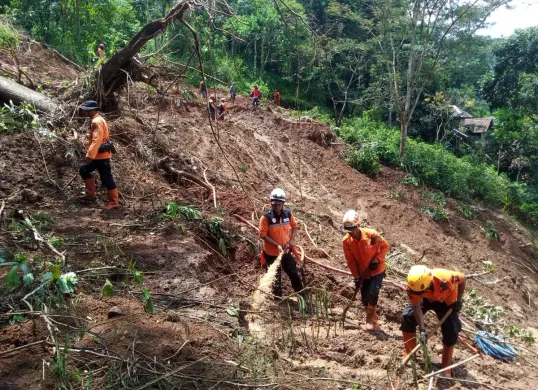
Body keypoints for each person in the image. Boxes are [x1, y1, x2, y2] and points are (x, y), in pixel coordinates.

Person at [401, 265, 466, 377]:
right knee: (408, 317)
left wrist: (459, 301)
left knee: (452, 328)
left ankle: (446, 365)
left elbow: (463, 278)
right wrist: (422, 330)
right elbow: (416, 307)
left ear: (427, 286)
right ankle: (410, 353)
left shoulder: (446, 277)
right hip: (426, 298)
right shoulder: (413, 288)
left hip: (446, 299)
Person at [342, 209, 389, 330]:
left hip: (377, 269)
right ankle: (374, 319)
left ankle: (369, 318)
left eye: (353, 229)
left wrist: (377, 259)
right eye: (349, 231)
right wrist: (356, 277)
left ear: (358, 226)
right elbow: (351, 261)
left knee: (373, 292)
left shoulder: (372, 235)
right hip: (362, 272)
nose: (351, 233)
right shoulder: (346, 241)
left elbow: (385, 246)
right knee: (364, 297)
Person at [259, 188, 304, 299]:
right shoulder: (266, 217)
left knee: (293, 273)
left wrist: (292, 240)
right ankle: (277, 300)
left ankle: (302, 296)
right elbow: (262, 235)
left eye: (279, 204)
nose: (277, 206)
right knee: (275, 278)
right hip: (271, 254)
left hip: (286, 252)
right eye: (274, 204)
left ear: (283, 203)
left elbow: (294, 226)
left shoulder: (288, 214)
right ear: (271, 203)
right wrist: (276, 245)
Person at [78, 100, 119, 209]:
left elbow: (97, 139)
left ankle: (114, 202)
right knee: (84, 170)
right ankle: (90, 195)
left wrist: (89, 154)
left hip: (101, 156)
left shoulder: (96, 121)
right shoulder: (96, 120)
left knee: (106, 178)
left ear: (92, 110)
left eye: (87, 111)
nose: (86, 113)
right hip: (97, 155)